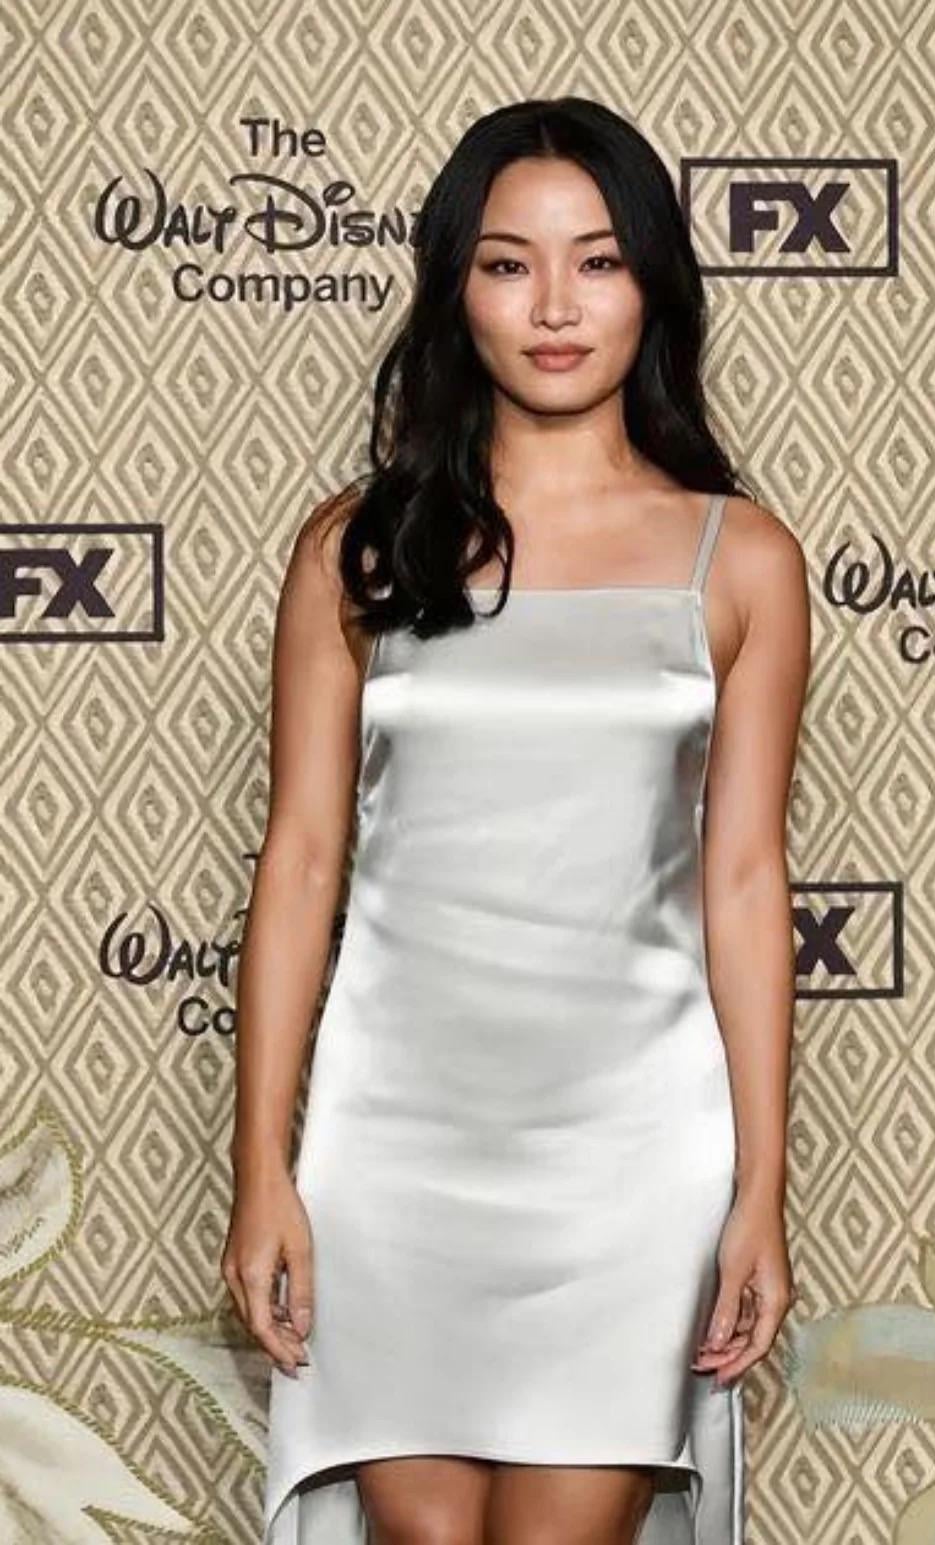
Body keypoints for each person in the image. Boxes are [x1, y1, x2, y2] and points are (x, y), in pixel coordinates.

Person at [223, 96, 809, 1545]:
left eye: (597, 261)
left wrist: (762, 1190)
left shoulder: (740, 560)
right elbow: (301, 861)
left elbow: (745, 883)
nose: (555, 306)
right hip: (396, 1139)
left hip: (629, 1145)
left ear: (652, 285)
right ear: (456, 289)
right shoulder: (358, 549)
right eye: (508, 263)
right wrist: (261, 1169)